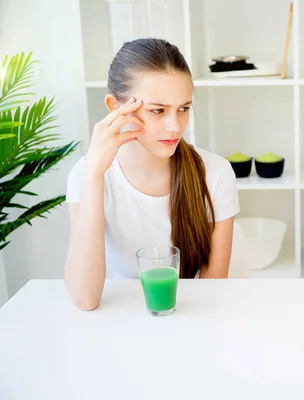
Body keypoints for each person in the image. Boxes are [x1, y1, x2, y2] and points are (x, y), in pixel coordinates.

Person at [64, 38, 240, 310]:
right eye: (158, 110)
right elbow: (85, 298)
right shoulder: (86, 176)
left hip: (193, 316)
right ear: (115, 107)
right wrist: (94, 173)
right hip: (121, 317)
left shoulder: (215, 173)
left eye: (183, 109)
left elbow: (212, 289)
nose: (175, 127)